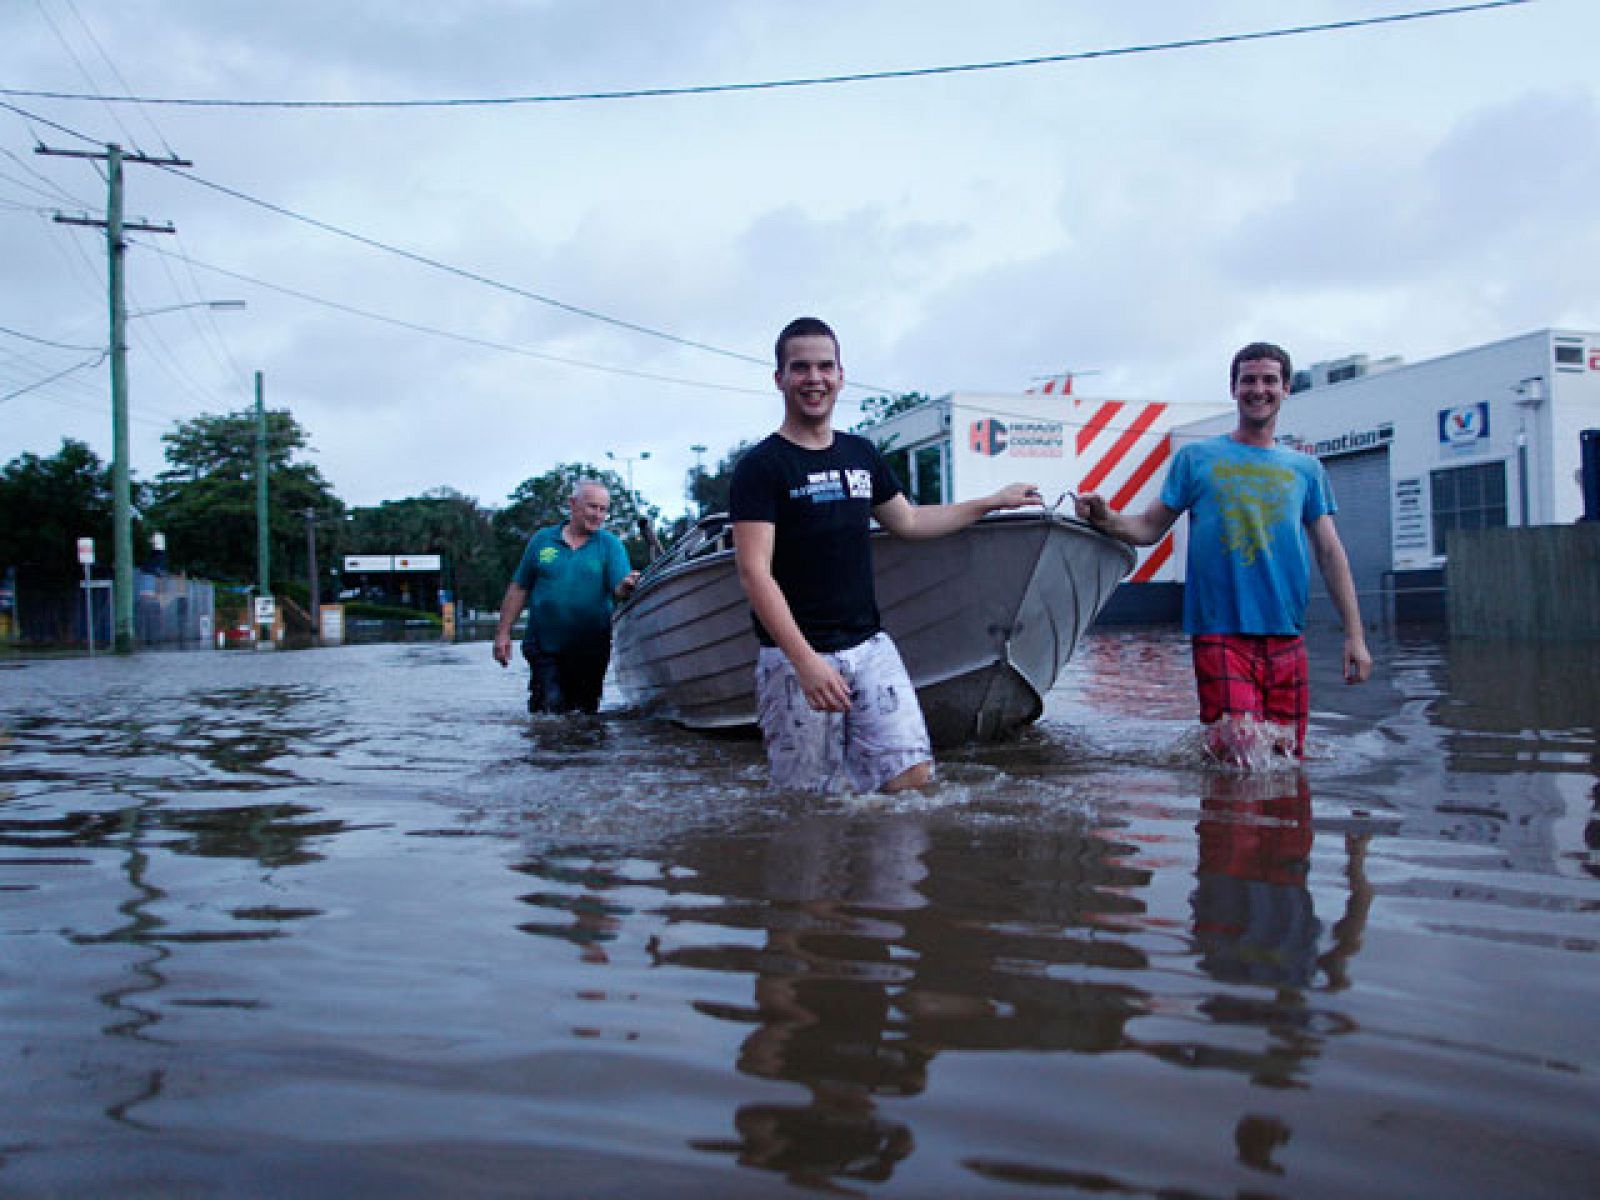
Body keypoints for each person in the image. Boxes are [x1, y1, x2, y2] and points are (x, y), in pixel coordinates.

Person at [730, 316, 1041, 793]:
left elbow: (910, 521)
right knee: (807, 806)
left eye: (825, 366)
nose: (814, 379)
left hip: (870, 647)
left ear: (840, 375)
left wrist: (990, 501)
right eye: (801, 368)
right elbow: (754, 573)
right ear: (780, 379)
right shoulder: (761, 467)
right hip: (795, 657)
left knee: (912, 781)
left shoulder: (861, 454)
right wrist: (806, 662)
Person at [1074, 341, 1372, 764]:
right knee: (1241, 757)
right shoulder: (1196, 459)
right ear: (1233, 389)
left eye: (1270, 380)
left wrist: (1355, 638)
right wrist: (1103, 517)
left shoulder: (1306, 469)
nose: (1259, 389)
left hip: (1287, 633)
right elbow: (1146, 528)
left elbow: (1330, 552)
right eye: (1248, 380)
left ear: (1286, 388)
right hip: (1219, 631)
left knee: (1288, 760)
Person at [493, 478, 640, 714]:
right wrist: (502, 634)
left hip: (590, 647)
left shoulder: (610, 546)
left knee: (584, 715)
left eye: (603, 510)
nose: (598, 515)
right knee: (549, 709)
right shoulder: (542, 540)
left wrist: (626, 584)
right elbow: (519, 588)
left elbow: (619, 589)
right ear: (572, 504)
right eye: (592, 507)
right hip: (544, 646)